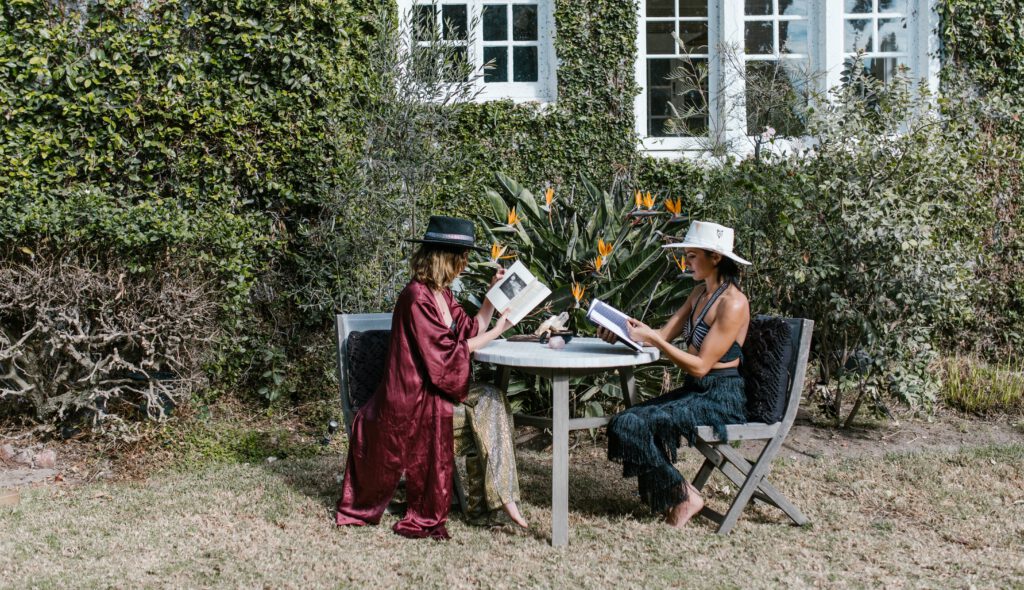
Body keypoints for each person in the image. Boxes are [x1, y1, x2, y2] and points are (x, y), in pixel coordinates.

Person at [335, 215, 528, 540]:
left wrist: (491, 299)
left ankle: (499, 501)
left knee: (492, 397)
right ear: (445, 259)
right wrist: (499, 331)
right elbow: (448, 357)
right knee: (488, 409)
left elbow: (469, 330)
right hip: (408, 408)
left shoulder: (442, 295)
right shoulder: (416, 298)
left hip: (434, 394)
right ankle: (496, 503)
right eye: (462, 258)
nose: (465, 266)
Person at [598, 220, 751, 527]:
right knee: (624, 421)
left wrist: (653, 340)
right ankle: (680, 494)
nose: (687, 262)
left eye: (693, 256)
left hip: (721, 397)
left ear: (715, 257)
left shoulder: (732, 304)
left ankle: (683, 497)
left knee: (633, 422)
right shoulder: (698, 294)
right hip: (695, 391)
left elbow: (699, 365)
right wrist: (626, 331)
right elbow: (663, 334)